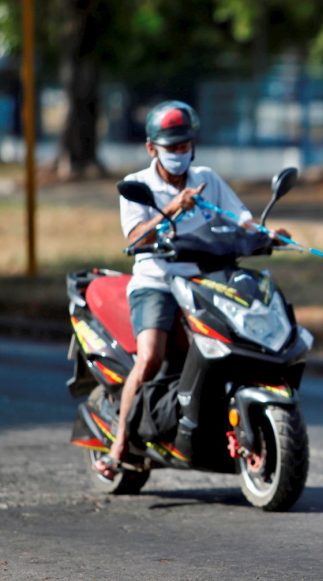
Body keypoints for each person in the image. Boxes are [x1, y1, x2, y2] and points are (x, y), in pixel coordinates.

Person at [95, 100, 287, 479]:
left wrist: (268, 234)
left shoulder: (209, 179)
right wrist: (178, 208)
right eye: (172, 147)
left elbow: (241, 219)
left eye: (185, 146)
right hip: (156, 283)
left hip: (204, 281)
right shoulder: (139, 186)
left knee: (231, 344)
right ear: (152, 148)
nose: (180, 154)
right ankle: (119, 445)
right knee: (150, 357)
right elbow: (134, 238)